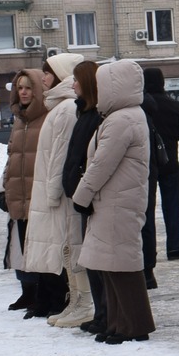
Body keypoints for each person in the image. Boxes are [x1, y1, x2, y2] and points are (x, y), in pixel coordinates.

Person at [71, 59, 156, 344]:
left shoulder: (122, 119)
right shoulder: (123, 116)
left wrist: (81, 196)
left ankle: (134, 325)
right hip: (113, 199)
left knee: (123, 265)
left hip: (118, 200)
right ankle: (120, 323)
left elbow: (100, 164)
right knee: (111, 264)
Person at [22, 53, 85, 323]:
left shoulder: (67, 108)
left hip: (59, 196)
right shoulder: (58, 106)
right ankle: (74, 299)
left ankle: (80, 301)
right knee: (64, 248)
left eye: (48, 72)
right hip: (53, 193)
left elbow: (61, 156)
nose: (43, 77)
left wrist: (52, 192)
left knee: (69, 247)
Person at [54, 61, 107, 332]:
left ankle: (103, 312)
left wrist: (81, 189)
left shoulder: (96, 115)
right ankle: (99, 312)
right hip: (80, 195)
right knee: (88, 257)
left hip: (90, 197)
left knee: (95, 258)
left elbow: (93, 161)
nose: (72, 84)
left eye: (76, 80)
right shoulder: (84, 112)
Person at [0, 69, 53, 314]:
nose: (22, 92)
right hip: (19, 193)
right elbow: (12, 157)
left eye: (28, 88)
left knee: (39, 248)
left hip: (38, 193)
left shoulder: (46, 117)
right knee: (22, 247)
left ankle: (43, 296)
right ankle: (28, 292)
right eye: (19, 87)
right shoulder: (19, 119)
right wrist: (4, 188)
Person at [142, 67, 179, 261]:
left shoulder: (142, 105)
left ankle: (148, 251)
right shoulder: (173, 105)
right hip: (169, 162)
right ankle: (175, 247)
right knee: (172, 205)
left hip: (146, 163)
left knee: (147, 209)